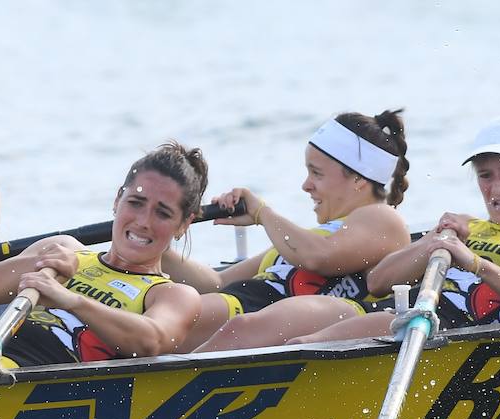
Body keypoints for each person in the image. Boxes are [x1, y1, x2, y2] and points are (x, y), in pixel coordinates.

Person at [292, 115, 500, 344]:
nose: (496, 188)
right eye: (485, 175)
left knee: (302, 343)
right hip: (402, 314)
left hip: (442, 328)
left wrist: (475, 263)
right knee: (295, 333)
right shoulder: (465, 226)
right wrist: (432, 242)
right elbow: (377, 282)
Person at [163, 110, 412, 351]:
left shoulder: (383, 218)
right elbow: (217, 282)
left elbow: (318, 257)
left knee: (174, 319)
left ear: (358, 179)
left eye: (316, 173)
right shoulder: (306, 238)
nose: (306, 185)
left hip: (272, 317)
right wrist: (159, 238)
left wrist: (262, 213)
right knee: (164, 313)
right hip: (244, 302)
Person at [0, 142, 207, 367]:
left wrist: (72, 301)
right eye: (136, 203)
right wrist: (39, 262)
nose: (144, 221)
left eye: (163, 213)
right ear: (118, 200)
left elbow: (151, 342)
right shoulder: (65, 249)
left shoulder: (174, 295)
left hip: (28, 373)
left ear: (184, 224)